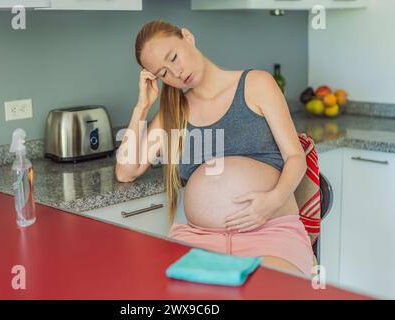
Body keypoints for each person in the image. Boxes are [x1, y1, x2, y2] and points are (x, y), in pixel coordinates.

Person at [115, 20, 314, 276]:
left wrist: (272, 201)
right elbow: (126, 171)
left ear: (187, 37)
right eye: (163, 73)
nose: (175, 73)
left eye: (174, 57)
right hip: (200, 238)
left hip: (269, 230)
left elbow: (296, 157)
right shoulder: (174, 112)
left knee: (268, 291)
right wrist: (141, 107)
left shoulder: (256, 84)